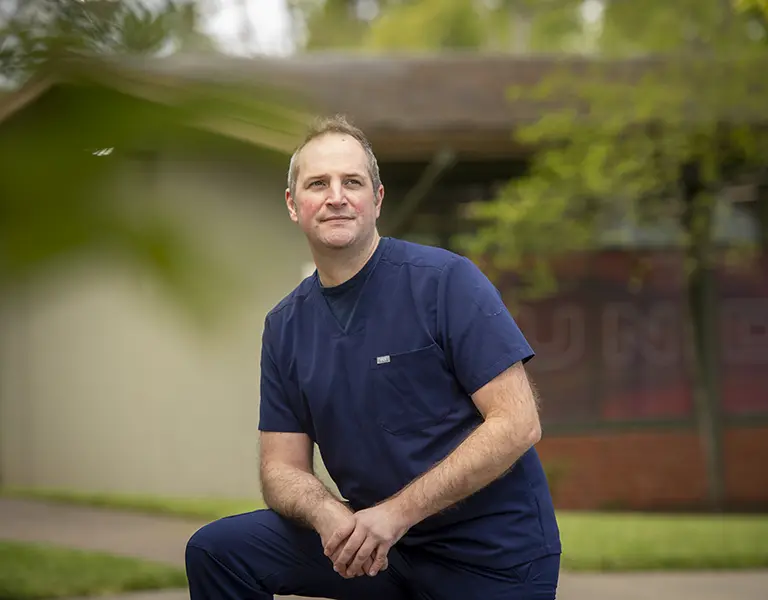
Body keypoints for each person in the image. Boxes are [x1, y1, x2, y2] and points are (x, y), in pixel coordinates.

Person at [184, 114, 562, 600]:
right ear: (293, 205)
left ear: (377, 199)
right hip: (375, 551)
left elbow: (517, 423)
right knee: (218, 551)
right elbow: (281, 468)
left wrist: (395, 514)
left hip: (492, 559)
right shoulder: (285, 326)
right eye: (318, 183)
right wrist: (329, 515)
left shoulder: (445, 282)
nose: (336, 196)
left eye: (352, 182)